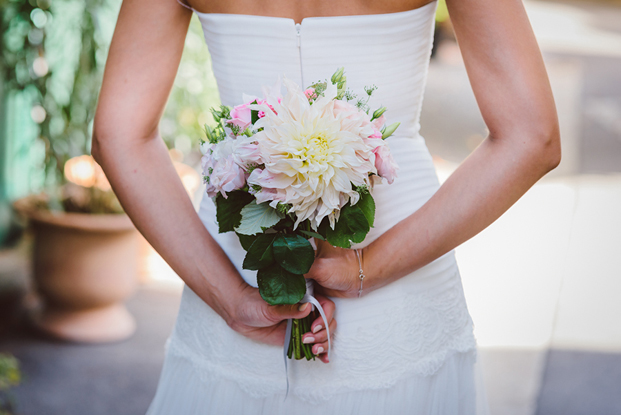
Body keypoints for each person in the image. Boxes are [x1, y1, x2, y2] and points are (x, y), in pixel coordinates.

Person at [92, 0, 560, 413]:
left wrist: (232, 300)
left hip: (243, 272)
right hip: (401, 282)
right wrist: (365, 267)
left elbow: (119, 136)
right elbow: (531, 136)